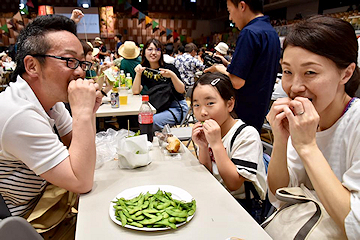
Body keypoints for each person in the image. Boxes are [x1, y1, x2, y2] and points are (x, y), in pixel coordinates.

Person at [0, 14, 102, 219]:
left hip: (49, 198)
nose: (81, 72)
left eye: (82, 62)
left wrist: (88, 111)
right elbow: (81, 181)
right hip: (25, 222)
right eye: (70, 61)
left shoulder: (50, 102)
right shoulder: (18, 112)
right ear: (32, 66)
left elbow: (82, 151)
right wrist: (81, 113)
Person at [266, 16, 360, 239]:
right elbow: (278, 196)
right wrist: (280, 139)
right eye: (287, 72)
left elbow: (355, 227)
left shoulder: (355, 123)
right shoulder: (303, 119)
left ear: (345, 73)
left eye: (310, 73)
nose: (295, 87)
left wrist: (307, 147)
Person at [191, 72, 266, 222]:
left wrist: (216, 144)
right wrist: (204, 147)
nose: (203, 112)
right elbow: (207, 175)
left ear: (229, 104)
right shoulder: (209, 132)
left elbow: (233, 183)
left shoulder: (246, 135)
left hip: (244, 206)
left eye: (210, 103)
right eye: (196, 105)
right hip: (218, 196)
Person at [205, 0, 281, 133]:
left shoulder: (249, 33)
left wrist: (218, 69)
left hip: (242, 110)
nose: (230, 18)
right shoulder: (272, 32)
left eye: (229, 11)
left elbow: (237, 81)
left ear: (242, 6)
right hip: (259, 108)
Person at [133, 38, 188, 131]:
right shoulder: (145, 71)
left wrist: (172, 75)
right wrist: (138, 74)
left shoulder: (169, 68)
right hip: (159, 107)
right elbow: (135, 91)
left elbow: (182, 90)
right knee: (138, 119)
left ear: (161, 53)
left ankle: (152, 143)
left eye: (157, 50)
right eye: (150, 49)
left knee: (150, 121)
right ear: (144, 52)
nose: (153, 53)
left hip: (176, 108)